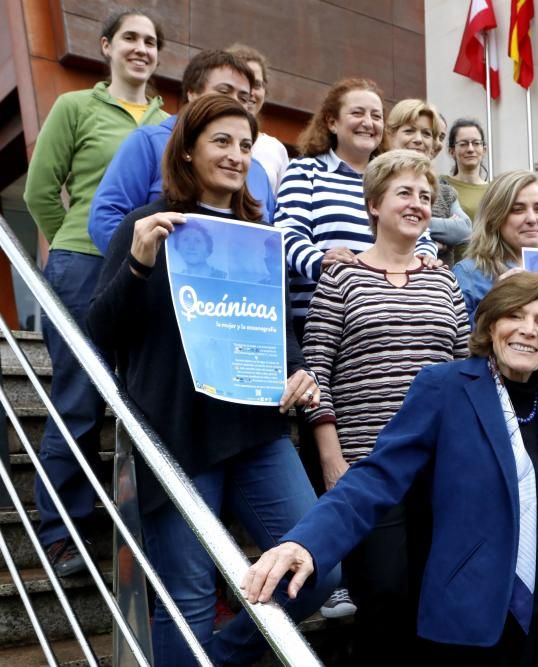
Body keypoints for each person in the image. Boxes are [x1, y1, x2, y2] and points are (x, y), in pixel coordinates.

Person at [242, 271, 538, 666]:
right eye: (515, 315)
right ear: (491, 323)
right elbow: (377, 478)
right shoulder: (446, 388)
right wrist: (308, 541)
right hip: (475, 626)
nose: (528, 330)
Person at [87, 95, 339, 666]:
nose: (236, 155)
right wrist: (139, 260)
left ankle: (219, 659)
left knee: (319, 569)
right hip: (175, 432)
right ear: (190, 148)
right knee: (189, 599)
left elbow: (279, 333)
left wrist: (298, 371)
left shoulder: (259, 232)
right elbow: (100, 330)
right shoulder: (146, 225)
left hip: (257, 430)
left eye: (246, 145)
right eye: (222, 141)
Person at [303, 149, 470, 663]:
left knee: (431, 595)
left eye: (425, 196)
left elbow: (466, 370)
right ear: (374, 203)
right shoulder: (342, 276)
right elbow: (315, 371)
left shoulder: (443, 279)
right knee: (383, 597)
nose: (417, 204)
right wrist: (332, 458)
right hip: (367, 467)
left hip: (440, 467)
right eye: (405, 193)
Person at [22, 8, 168, 577]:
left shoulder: (173, 122)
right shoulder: (75, 106)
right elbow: (38, 189)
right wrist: (71, 246)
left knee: (141, 397)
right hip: (85, 264)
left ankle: (133, 526)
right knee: (81, 398)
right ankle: (62, 533)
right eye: (129, 37)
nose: (141, 48)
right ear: (106, 46)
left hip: (151, 271)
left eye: (150, 41)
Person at [274, 78, 437, 338]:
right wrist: (320, 262)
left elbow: (421, 234)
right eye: (357, 113)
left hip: (389, 318)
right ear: (332, 122)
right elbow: (286, 235)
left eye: (376, 116)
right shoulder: (305, 171)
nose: (368, 123)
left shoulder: (394, 178)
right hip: (316, 323)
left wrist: (426, 257)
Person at [88, 49, 276, 254]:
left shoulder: (256, 170)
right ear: (192, 92)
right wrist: (144, 269)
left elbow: (266, 245)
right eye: (224, 91)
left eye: (243, 97)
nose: (234, 102)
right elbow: (106, 217)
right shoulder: (149, 142)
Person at [452, 171, 538, 323]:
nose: (532, 219)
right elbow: (458, 341)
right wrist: (496, 301)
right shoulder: (468, 274)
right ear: (495, 217)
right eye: (518, 209)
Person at [383, 99, 471, 258]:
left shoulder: (445, 192)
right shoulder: (374, 182)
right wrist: (435, 237)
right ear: (390, 135)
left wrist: (409, 221)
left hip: (435, 279)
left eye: (426, 133)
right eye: (409, 131)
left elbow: (463, 229)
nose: (418, 139)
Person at [226, 44, 289, 194]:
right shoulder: (202, 137)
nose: (249, 92)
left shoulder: (275, 149)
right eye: (243, 82)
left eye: (257, 85)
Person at [439, 118, 489, 220]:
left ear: (484, 150)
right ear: (451, 151)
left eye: (476, 143)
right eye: (463, 144)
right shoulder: (440, 185)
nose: (470, 149)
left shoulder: (494, 191)